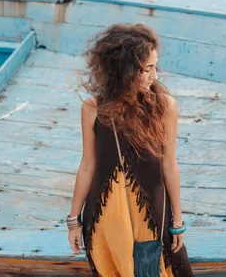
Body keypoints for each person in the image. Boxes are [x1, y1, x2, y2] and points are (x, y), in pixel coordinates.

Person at [66, 24, 193, 276]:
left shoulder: (164, 106)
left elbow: (169, 164)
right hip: (105, 220)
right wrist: (73, 222)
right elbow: (87, 166)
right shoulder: (93, 109)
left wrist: (177, 223)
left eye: (156, 67)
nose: (154, 76)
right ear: (124, 71)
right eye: (147, 69)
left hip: (149, 220)